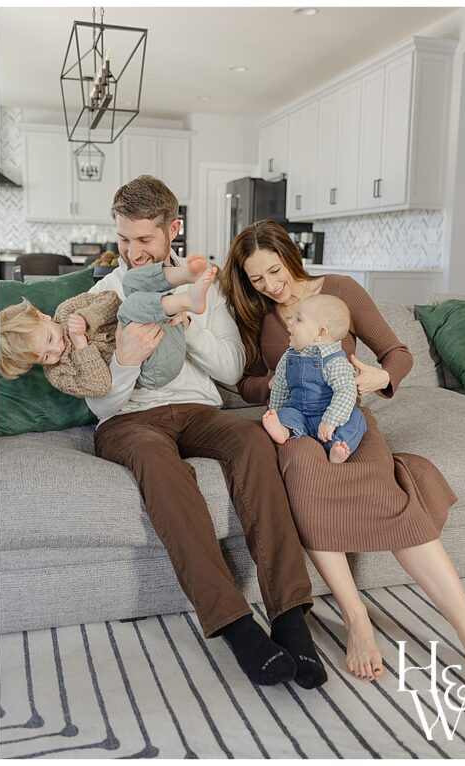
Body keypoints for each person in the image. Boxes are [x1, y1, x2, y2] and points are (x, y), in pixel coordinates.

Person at [220, 218, 465, 701]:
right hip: (294, 424)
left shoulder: (341, 291)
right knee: (305, 475)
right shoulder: (257, 312)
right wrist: (278, 385)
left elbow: (398, 352)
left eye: (274, 270)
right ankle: (357, 618)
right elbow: (243, 382)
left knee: (390, 494)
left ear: (290, 254)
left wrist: (377, 378)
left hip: (345, 415)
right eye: (256, 278)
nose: (270, 285)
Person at [85, 175, 327, 690]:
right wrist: (124, 363)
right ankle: (238, 627)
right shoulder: (104, 295)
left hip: (197, 408)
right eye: (124, 239)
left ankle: (290, 617)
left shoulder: (204, 286)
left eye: (144, 239)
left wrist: (186, 316)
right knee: (156, 462)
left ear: (172, 229)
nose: (132, 252)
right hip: (129, 420)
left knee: (252, 442)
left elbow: (233, 366)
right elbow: (99, 401)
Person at [0, 256, 217, 397]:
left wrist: (86, 317)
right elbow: (100, 387)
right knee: (130, 307)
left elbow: (111, 300)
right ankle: (187, 301)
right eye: (45, 357)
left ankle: (185, 274)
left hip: (167, 328)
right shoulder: (59, 373)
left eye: (50, 340)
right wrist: (81, 344)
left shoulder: (66, 311)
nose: (56, 350)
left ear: (42, 316)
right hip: (154, 369)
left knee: (130, 281)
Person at [263, 293, 366, 464]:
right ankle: (283, 430)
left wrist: (330, 421)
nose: (290, 323)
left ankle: (338, 446)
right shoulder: (288, 358)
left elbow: (346, 393)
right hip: (299, 413)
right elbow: (281, 388)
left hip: (328, 416)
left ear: (320, 333)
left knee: (356, 418)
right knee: (286, 414)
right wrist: (275, 412)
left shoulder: (335, 362)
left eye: (298, 320)